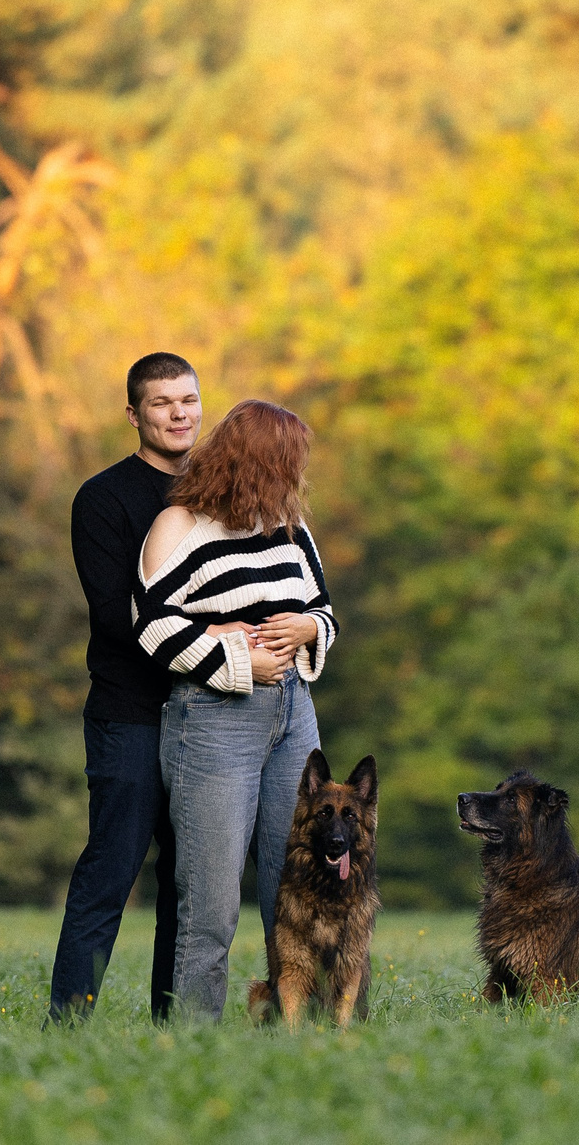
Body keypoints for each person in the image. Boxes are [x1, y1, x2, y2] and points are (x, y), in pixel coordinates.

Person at [134, 397, 338, 1021]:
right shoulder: (181, 526)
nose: (297, 477)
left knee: (299, 886)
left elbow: (324, 610)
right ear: (256, 462)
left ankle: (300, 1023)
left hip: (293, 715)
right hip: (214, 721)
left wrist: (307, 629)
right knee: (211, 901)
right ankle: (195, 1037)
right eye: (288, 463)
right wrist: (240, 660)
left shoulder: (290, 528)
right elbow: (150, 627)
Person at [46, 352, 204, 1021]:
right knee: (111, 872)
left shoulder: (222, 491)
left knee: (188, 886)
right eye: (163, 403)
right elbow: (115, 615)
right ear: (135, 415)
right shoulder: (104, 498)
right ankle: (68, 1018)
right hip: (130, 714)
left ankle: (173, 1023)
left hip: (207, 716)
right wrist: (218, 639)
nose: (178, 413)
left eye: (189, 400)